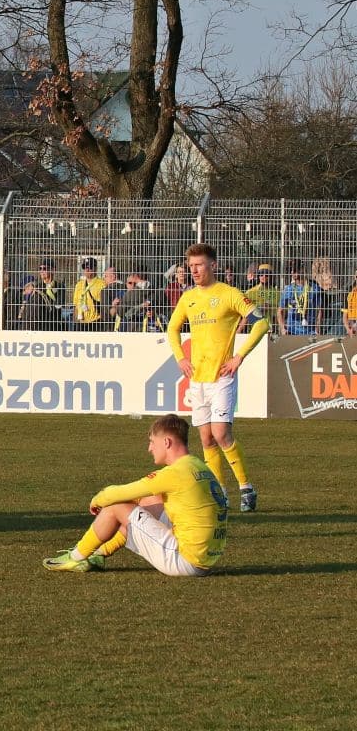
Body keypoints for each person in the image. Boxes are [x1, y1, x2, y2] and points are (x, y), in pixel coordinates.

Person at [42, 414, 228, 576]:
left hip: (185, 560)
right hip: (207, 557)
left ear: (167, 442)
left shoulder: (175, 473)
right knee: (148, 500)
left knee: (116, 507)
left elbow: (119, 493)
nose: (149, 448)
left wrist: (98, 499)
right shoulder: (199, 466)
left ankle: (75, 557)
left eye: (152, 442)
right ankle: (98, 554)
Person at [168, 242, 268, 513]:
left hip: (222, 376)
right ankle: (220, 493)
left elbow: (262, 323)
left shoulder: (229, 294)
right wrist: (180, 357)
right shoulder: (188, 297)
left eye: (199, 265)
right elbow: (172, 328)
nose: (194, 270)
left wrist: (240, 356)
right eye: (191, 266)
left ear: (213, 265)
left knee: (222, 433)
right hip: (198, 378)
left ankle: (246, 487)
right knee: (206, 439)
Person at [278, 263, 322, 336]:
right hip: (292, 331)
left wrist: (317, 328)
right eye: (290, 271)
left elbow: (320, 309)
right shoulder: (288, 289)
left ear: (302, 270)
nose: (292, 272)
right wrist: (283, 328)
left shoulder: (314, 288)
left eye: (295, 270)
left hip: (310, 331)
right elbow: (280, 311)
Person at [72, 256, 106, 330]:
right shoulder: (79, 285)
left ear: (95, 268)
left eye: (90, 267)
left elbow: (105, 305)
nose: (87, 269)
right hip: (81, 322)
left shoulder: (102, 284)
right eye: (85, 267)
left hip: (96, 322)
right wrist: (75, 323)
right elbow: (75, 305)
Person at [243, 263, 279, 327]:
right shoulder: (250, 292)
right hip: (255, 327)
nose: (264, 277)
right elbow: (245, 310)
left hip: (272, 327)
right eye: (261, 274)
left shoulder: (277, 292)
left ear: (271, 276)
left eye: (267, 274)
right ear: (258, 276)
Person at [344, 267, 357, 336]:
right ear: (355, 277)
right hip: (351, 324)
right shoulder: (349, 290)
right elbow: (345, 313)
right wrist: (347, 328)